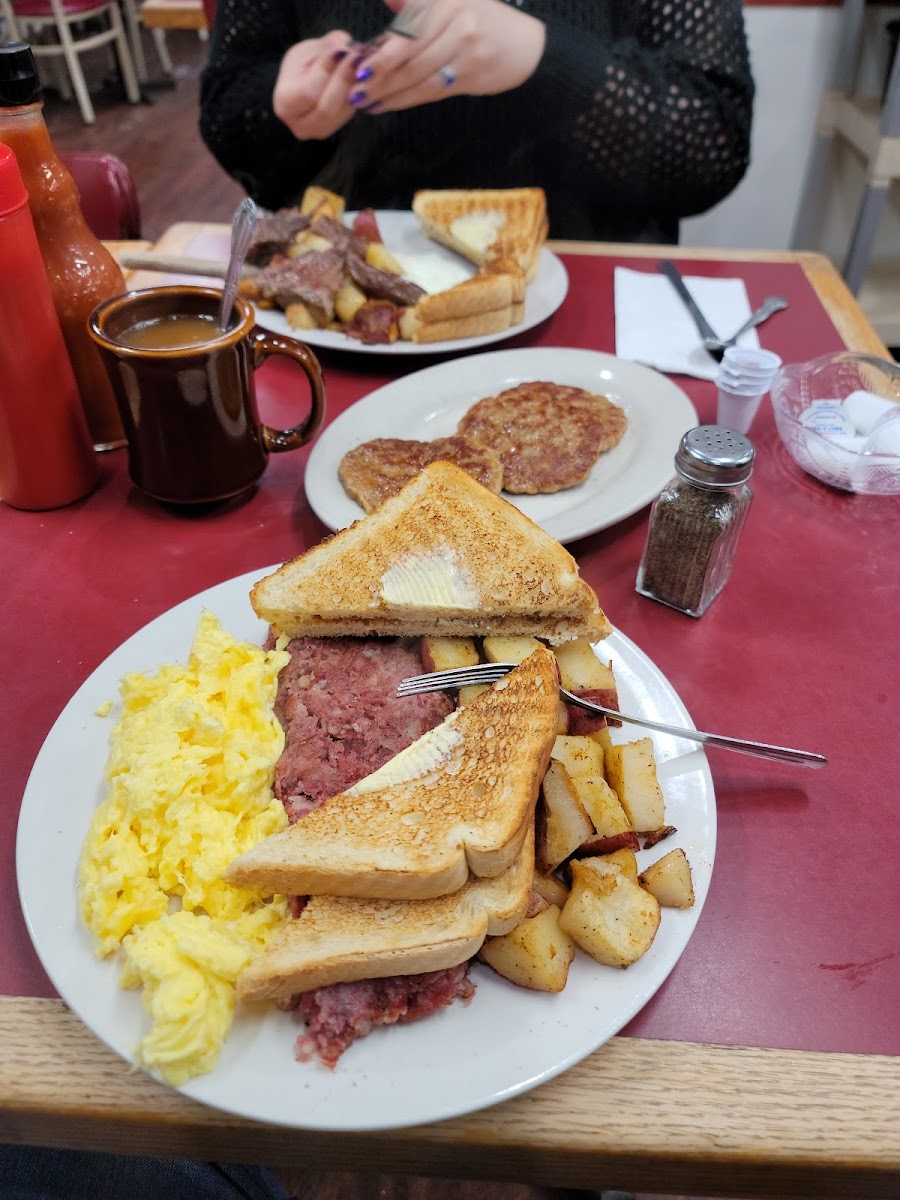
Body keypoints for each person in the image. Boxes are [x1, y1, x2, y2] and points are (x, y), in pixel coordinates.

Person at [199, 0, 754, 244]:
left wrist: (546, 60)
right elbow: (226, 113)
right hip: (349, 303)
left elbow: (711, 147)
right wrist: (287, 103)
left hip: (588, 301)